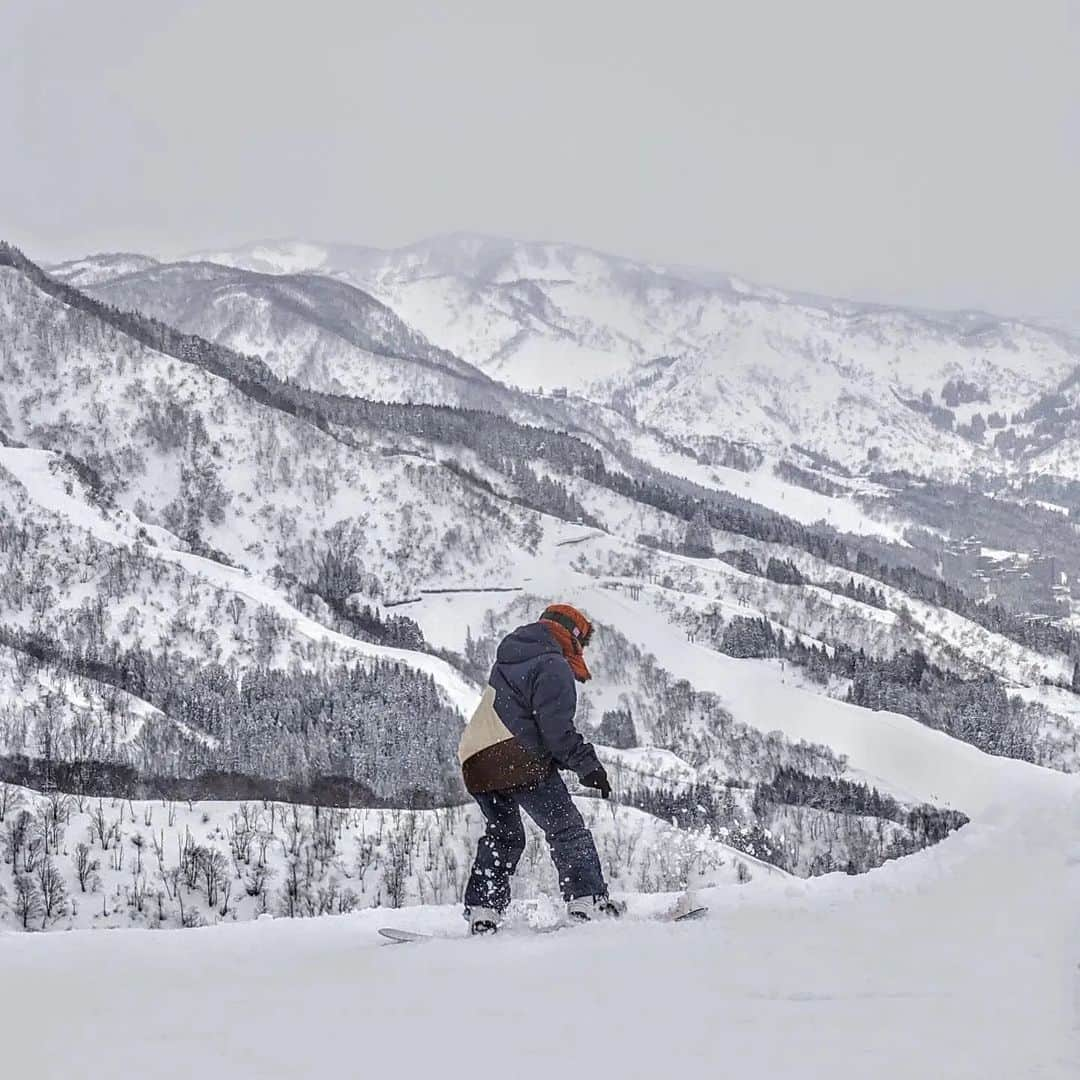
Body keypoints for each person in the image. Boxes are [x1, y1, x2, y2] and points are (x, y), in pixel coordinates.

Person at [459, 603, 623, 934]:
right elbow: (556, 731)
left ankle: (484, 910)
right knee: (567, 829)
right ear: (573, 638)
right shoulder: (553, 665)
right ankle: (587, 899)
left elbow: (525, 722)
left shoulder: (510, 658)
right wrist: (588, 766)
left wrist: (573, 762)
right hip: (516, 757)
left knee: (504, 836)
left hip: (476, 758)